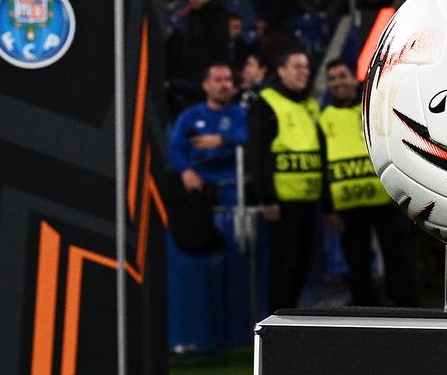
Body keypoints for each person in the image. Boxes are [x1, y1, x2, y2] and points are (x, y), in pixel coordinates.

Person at [317, 59, 418, 307]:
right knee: (356, 260)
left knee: (397, 255)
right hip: (348, 203)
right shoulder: (324, 118)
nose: (337, 82)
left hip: (385, 197)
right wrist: (328, 208)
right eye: (332, 78)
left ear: (354, 77)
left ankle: (406, 304)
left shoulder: (374, 107)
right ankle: (364, 307)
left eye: (342, 76)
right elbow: (321, 164)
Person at [247, 42, 324, 311]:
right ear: (280, 71)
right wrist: (267, 198)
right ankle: (277, 321)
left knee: (302, 263)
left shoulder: (309, 105)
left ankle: (291, 317)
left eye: (306, 66)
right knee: (284, 265)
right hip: (282, 204)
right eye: (297, 67)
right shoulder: (267, 103)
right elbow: (258, 155)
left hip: (308, 201)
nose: (304, 72)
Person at [167, 61, 248, 203]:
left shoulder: (241, 114)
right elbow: (174, 148)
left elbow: (248, 136)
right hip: (198, 185)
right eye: (218, 80)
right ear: (205, 85)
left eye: (228, 80)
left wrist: (223, 139)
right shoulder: (190, 115)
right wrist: (185, 170)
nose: (225, 85)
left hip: (231, 186)